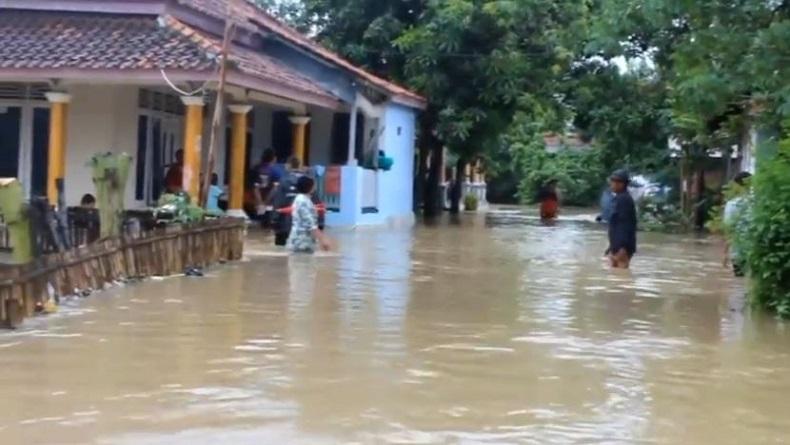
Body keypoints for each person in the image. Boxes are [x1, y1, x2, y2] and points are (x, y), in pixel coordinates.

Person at [288, 176, 331, 253]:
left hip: (304, 240)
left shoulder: (304, 199)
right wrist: (322, 239)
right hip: (301, 241)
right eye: (313, 185)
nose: (315, 187)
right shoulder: (302, 201)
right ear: (309, 187)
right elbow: (310, 223)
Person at [723, 172, 752, 277]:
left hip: (738, 250)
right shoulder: (758, 202)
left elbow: (729, 229)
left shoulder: (732, 204)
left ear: (736, 185)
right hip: (757, 251)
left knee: (739, 281)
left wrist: (725, 253)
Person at [607, 169, 637, 269]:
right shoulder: (620, 198)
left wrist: (622, 247)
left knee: (621, 272)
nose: (611, 184)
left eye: (614, 182)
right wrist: (611, 247)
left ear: (621, 184)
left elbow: (625, 224)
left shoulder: (623, 199)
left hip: (622, 245)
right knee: (616, 274)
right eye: (611, 181)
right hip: (617, 244)